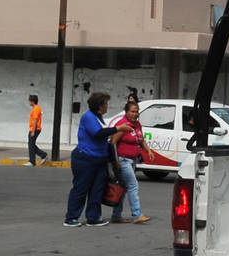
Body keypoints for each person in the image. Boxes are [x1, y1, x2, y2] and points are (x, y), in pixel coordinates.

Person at [64, 92, 132, 228]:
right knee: (81, 188)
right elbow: (98, 133)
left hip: (99, 159)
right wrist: (119, 128)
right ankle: (71, 217)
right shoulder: (88, 117)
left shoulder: (99, 118)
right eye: (106, 104)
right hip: (86, 158)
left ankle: (93, 217)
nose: (107, 106)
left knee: (97, 189)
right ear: (99, 106)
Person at [109, 101, 154, 224]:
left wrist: (148, 151)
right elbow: (113, 142)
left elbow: (141, 140)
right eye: (132, 111)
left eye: (137, 111)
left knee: (123, 188)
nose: (135, 114)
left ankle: (116, 215)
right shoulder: (122, 125)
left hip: (133, 160)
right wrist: (115, 161)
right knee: (133, 185)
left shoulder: (137, 124)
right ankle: (137, 214)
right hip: (123, 160)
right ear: (126, 112)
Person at [26, 94, 48, 166]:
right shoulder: (36, 108)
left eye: (30, 101)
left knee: (31, 145)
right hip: (34, 129)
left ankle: (32, 161)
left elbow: (35, 120)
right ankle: (43, 155)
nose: (29, 102)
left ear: (32, 101)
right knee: (31, 144)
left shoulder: (36, 109)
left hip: (35, 129)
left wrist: (33, 131)